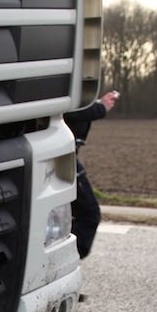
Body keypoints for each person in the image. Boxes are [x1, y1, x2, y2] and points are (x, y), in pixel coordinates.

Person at [63, 90, 119, 259]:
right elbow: (70, 109)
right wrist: (100, 107)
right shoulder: (64, 86)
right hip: (63, 157)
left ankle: (65, 257)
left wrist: (98, 104)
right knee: (89, 214)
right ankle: (67, 259)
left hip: (66, 155)